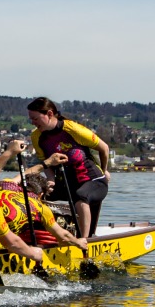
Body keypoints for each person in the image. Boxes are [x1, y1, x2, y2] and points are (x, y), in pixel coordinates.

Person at [26, 97, 112, 238]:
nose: (32, 122)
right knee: (34, 195)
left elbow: (104, 148)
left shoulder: (71, 129)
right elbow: (45, 162)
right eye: (31, 119)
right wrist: (51, 179)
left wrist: (105, 170)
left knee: (81, 196)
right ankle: (38, 235)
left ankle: (83, 241)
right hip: (66, 183)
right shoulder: (37, 137)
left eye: (35, 118)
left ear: (49, 114)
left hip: (94, 181)